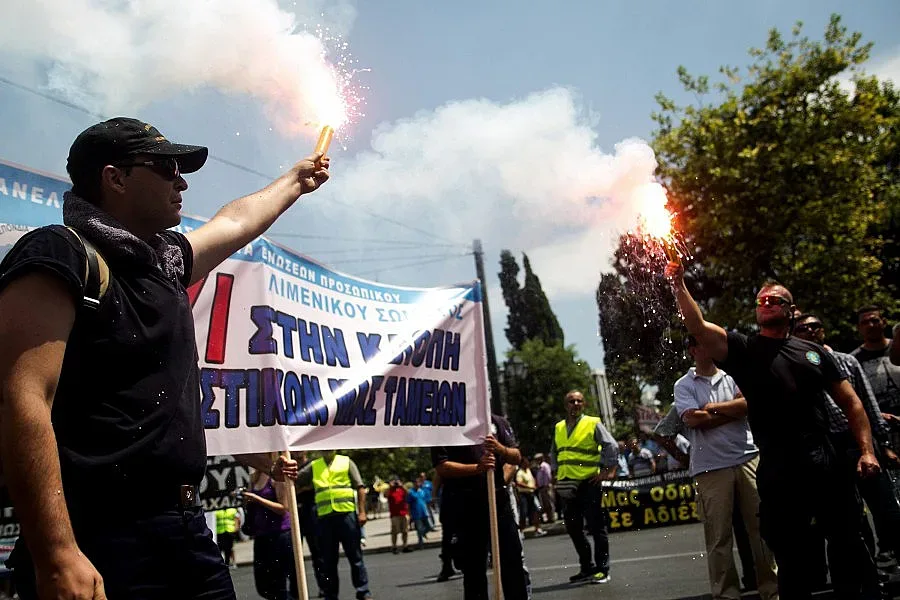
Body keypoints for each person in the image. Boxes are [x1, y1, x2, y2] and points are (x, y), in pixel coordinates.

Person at [0, 117, 323, 599]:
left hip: (187, 535)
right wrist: (57, 553)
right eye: (166, 168)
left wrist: (296, 181)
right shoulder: (60, 253)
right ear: (115, 178)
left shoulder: (164, 262)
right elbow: (21, 401)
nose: (182, 181)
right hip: (100, 540)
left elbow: (233, 222)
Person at [666, 261, 881, 599]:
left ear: (790, 310)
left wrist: (866, 450)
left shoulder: (812, 352)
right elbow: (698, 325)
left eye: (774, 300)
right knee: (792, 558)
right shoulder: (744, 349)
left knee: (847, 544)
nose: (765, 304)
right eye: (760, 301)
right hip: (780, 467)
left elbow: (852, 403)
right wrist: (679, 284)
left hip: (825, 460)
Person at [674, 336, 778, 600]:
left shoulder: (734, 375)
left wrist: (712, 409)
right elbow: (694, 420)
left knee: (762, 531)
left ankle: (773, 590)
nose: (709, 347)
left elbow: (747, 405)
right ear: (693, 350)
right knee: (719, 537)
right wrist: (730, 410)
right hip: (710, 468)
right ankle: (726, 594)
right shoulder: (683, 385)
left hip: (746, 458)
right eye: (702, 343)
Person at [793, 313, 900, 564]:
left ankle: (890, 555)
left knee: (886, 507)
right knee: (850, 516)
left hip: (860, 442)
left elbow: (867, 404)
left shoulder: (847, 361)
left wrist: (881, 444)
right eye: (803, 329)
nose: (810, 331)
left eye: (815, 326)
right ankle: (869, 567)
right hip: (828, 448)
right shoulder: (795, 365)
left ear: (823, 331)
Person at [432, 414, 530, 600]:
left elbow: (516, 456)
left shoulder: (496, 422)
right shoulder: (444, 423)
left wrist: (500, 449)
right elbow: (442, 466)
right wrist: (477, 468)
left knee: (512, 563)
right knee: (473, 570)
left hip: (499, 503)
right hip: (466, 506)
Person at [549, 390, 617, 584]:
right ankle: (587, 568)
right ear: (566, 405)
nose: (576, 404)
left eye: (579, 401)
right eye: (572, 401)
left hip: (588, 484)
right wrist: (556, 473)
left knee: (597, 528)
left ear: (584, 404)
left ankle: (602, 569)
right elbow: (554, 452)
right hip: (567, 486)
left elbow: (611, 445)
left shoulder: (592, 423)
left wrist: (608, 471)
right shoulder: (559, 427)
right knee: (573, 529)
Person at [294, 450, 372, 600]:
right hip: (324, 519)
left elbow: (360, 488)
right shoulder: (314, 466)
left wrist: (362, 512)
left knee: (355, 557)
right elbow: (295, 478)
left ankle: (363, 591)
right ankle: (331, 595)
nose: (327, 449)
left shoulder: (346, 462)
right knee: (328, 561)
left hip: (346, 516)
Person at [243, 457, 297, 600]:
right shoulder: (254, 477)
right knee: (263, 586)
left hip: (279, 534)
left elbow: (283, 508)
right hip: (261, 535)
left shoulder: (277, 477)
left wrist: (256, 499)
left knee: (279, 583)